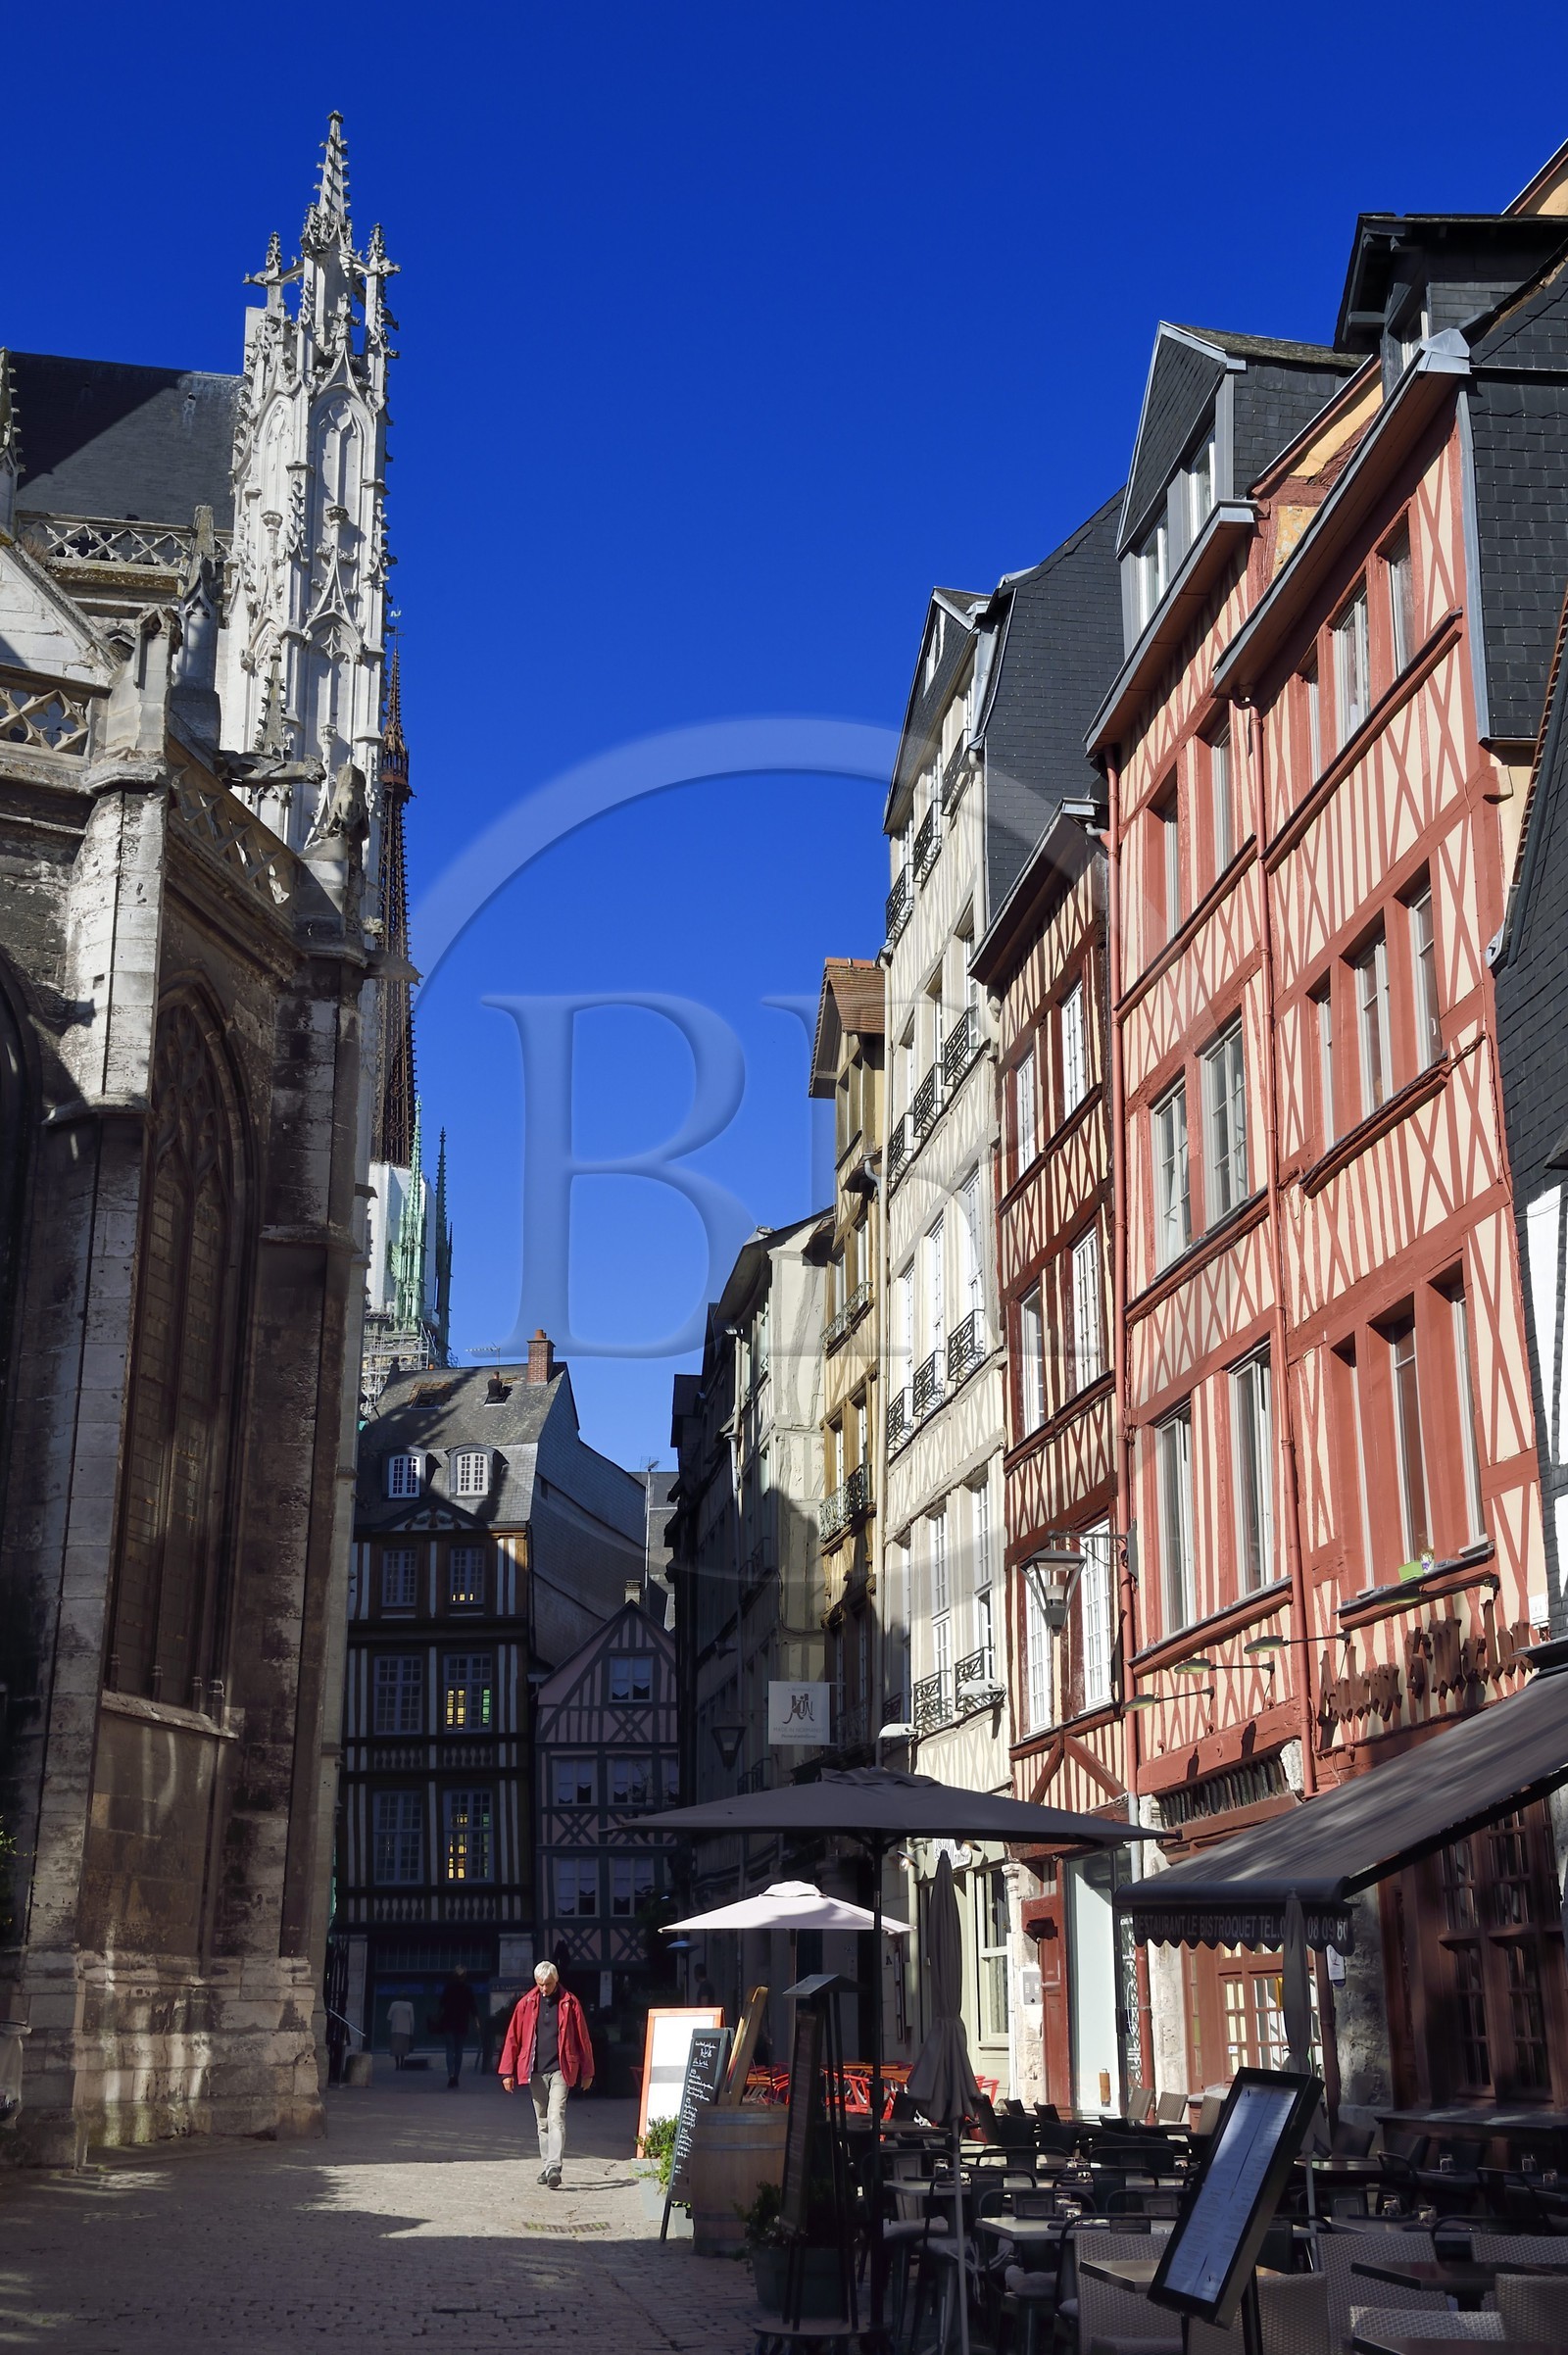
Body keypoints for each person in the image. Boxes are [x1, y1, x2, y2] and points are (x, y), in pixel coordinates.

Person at [499, 1961, 594, 2188]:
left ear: (556, 1980)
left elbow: (583, 2039)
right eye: (540, 1984)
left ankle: (554, 2166)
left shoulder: (570, 2003)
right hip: (535, 2070)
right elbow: (513, 2037)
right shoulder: (526, 2003)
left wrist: (588, 2071)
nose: (543, 1989)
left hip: (561, 2068)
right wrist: (507, 2072)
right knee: (542, 2121)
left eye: (548, 1984)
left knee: (555, 2116)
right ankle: (546, 2165)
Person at [433, 1967, 478, 2088]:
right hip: (462, 2022)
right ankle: (456, 2076)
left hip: (448, 2021)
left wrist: (438, 2017)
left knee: (449, 2049)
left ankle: (450, 2075)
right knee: (459, 2050)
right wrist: (476, 2021)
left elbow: (441, 2004)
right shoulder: (467, 1989)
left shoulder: (448, 1988)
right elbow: (472, 2006)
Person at [386, 1995, 415, 2069]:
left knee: (396, 2049)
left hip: (395, 2029)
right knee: (403, 2049)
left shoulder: (394, 2004)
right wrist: (412, 2031)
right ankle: (401, 2064)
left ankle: (397, 2065)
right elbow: (412, 2019)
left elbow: (389, 2017)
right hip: (405, 2030)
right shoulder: (409, 2005)